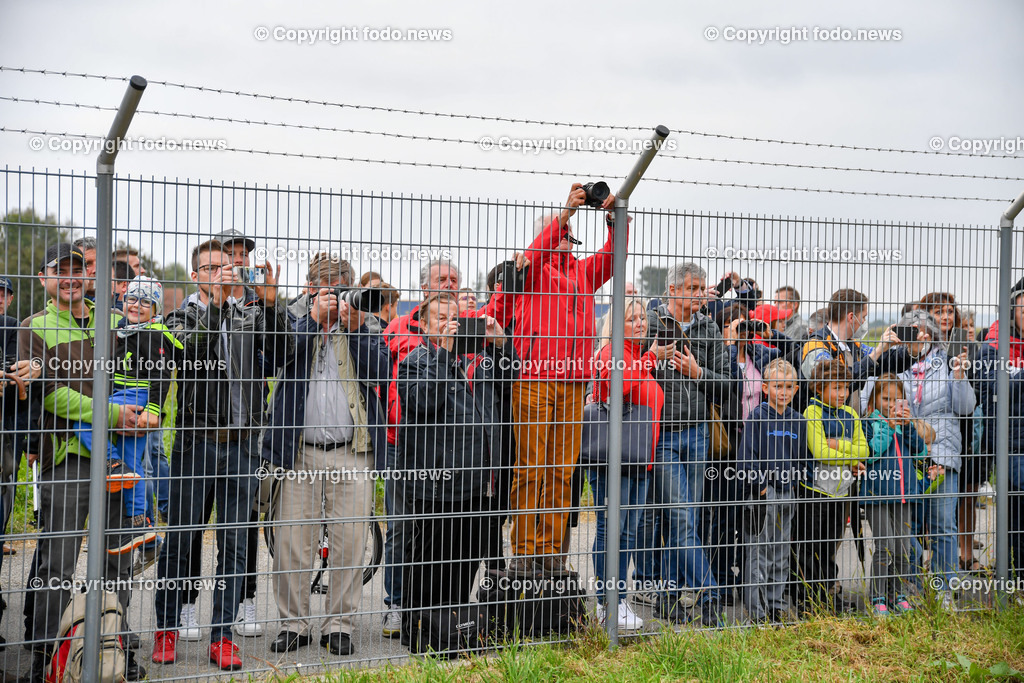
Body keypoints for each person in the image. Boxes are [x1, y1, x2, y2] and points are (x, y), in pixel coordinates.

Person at [152, 238, 293, 671]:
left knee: (234, 544)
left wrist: (271, 305)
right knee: (181, 540)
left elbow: (284, 354)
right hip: (197, 444)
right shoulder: (182, 316)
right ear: (196, 275)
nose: (222, 273)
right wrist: (216, 303)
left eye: (225, 267)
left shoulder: (250, 314)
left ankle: (222, 635)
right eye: (211, 268)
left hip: (243, 447)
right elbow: (193, 350)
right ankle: (166, 628)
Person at [19, 244, 148, 681]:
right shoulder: (33, 327)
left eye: (79, 270)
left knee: (117, 559)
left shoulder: (116, 320)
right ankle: (45, 657)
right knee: (58, 562)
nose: (72, 278)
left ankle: (114, 647)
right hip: (67, 460)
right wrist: (114, 413)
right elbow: (51, 393)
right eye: (62, 271)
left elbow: (142, 371)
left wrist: (143, 412)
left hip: (118, 458)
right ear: (44, 279)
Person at [263, 255, 390, 656]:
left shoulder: (365, 318)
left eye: (341, 286)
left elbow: (384, 373)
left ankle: (341, 624)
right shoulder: (293, 316)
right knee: (290, 543)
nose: (334, 294)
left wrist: (353, 329)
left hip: (352, 452)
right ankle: (293, 623)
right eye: (326, 287)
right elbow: (274, 359)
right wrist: (312, 320)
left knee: (350, 543)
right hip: (297, 450)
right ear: (310, 286)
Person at [506, 182, 620, 577]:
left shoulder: (581, 273)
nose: (567, 240)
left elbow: (611, 258)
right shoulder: (531, 267)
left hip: (573, 382)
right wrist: (566, 211)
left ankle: (551, 554)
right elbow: (536, 251)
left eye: (570, 236)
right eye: (562, 233)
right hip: (534, 379)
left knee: (562, 470)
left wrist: (613, 220)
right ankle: (522, 554)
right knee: (530, 468)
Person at [396, 293, 516, 632]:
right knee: (429, 565)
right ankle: (417, 630)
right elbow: (424, 401)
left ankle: (451, 628)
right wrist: (446, 353)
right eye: (441, 318)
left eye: (455, 317)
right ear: (424, 324)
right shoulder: (415, 360)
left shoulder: (479, 360)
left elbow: (512, 379)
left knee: (464, 564)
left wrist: (500, 341)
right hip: (436, 486)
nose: (450, 323)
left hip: (478, 483)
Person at [637, 261, 732, 627]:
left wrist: (698, 373)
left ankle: (669, 596)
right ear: (672, 290)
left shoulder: (709, 329)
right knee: (679, 516)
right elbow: (628, 365)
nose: (698, 295)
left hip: (698, 435)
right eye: (691, 288)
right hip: (661, 436)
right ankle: (710, 595)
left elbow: (728, 387)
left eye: (701, 288)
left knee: (688, 518)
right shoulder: (650, 324)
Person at [867, 310, 975, 609]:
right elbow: (867, 400)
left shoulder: (946, 360)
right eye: (912, 330)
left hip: (942, 451)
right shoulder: (895, 361)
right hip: (902, 455)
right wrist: (882, 351)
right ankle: (908, 587)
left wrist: (959, 373)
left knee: (942, 525)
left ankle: (943, 591)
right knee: (907, 529)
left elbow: (965, 408)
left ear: (933, 334)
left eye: (924, 330)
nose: (920, 336)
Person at [70, 276, 180, 555]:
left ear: (155, 309)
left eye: (146, 301)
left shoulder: (154, 334)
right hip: (123, 392)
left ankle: (111, 462)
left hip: (136, 395)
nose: (137, 305)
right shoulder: (125, 329)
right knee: (135, 464)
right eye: (132, 298)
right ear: (123, 299)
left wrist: (154, 409)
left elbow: (161, 375)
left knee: (84, 421)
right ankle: (142, 526)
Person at [585, 298, 668, 631]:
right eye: (631, 319)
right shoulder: (610, 354)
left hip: (639, 459)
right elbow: (621, 385)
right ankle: (608, 604)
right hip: (612, 459)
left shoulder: (637, 356)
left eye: (641, 318)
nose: (640, 323)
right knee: (610, 529)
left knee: (629, 532)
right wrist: (651, 358)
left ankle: (619, 600)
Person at [791, 360, 868, 615]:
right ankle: (808, 599)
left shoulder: (852, 414)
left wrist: (837, 445)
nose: (843, 393)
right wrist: (849, 453)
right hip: (814, 490)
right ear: (819, 388)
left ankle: (827, 595)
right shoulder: (811, 413)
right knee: (811, 547)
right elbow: (820, 452)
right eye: (836, 388)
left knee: (830, 546)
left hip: (840, 492)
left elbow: (865, 450)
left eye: (845, 388)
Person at [737, 359, 805, 625]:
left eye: (789, 386)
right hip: (763, 495)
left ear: (796, 389)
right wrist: (760, 487)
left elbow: (800, 459)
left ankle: (776, 605)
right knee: (759, 553)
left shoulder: (798, 421)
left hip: (788, 494)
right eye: (778, 386)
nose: (784, 392)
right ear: (765, 388)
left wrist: (795, 482)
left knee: (780, 551)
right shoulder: (757, 417)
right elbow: (746, 458)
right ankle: (758, 611)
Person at [861, 374, 930, 616]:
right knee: (885, 546)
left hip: (904, 496)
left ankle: (897, 594)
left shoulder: (904, 425)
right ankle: (877, 597)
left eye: (897, 399)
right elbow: (871, 454)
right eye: (886, 398)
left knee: (903, 548)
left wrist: (908, 426)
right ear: (875, 400)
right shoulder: (870, 423)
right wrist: (889, 428)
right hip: (877, 495)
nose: (892, 404)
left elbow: (920, 452)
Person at [976, 283, 1024, 584]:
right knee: (1017, 510)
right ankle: (1016, 577)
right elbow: (989, 390)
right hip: (1012, 443)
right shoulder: (993, 346)